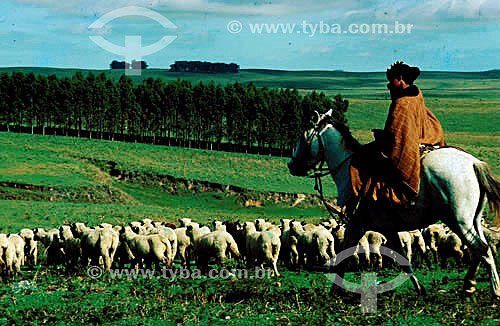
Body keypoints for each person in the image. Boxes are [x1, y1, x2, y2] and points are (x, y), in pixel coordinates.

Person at [350, 61, 445, 206]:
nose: (389, 85)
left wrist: (382, 137)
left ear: (400, 78)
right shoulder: (416, 95)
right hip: (424, 136)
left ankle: (374, 198)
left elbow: (398, 135)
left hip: (406, 143)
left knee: (366, 158)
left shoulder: (402, 103)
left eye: (391, 81)